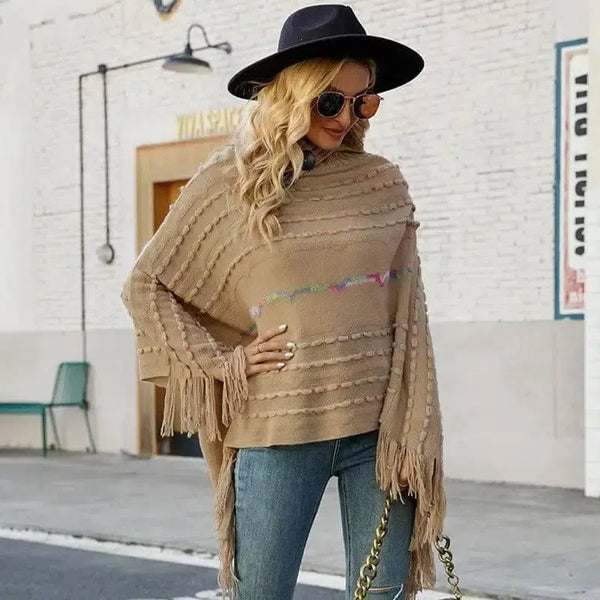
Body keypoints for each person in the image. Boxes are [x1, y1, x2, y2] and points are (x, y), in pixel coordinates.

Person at [120, 5, 446, 600]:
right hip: (277, 429)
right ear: (291, 98)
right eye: (330, 101)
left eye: (363, 102)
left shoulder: (381, 183)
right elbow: (147, 285)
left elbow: (409, 314)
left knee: (384, 596)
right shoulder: (232, 183)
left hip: (380, 435)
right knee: (260, 594)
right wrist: (224, 362)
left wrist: (413, 427)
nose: (345, 118)